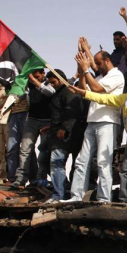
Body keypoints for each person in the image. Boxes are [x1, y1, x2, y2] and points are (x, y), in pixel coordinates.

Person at [70, 67, 127, 203]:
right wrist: (84, 93)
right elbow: (103, 98)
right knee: (125, 170)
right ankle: (123, 199)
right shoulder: (124, 98)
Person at [62, 51, 125, 203]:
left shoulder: (117, 75)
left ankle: (104, 199)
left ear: (107, 61)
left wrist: (86, 69)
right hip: (92, 121)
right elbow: (84, 91)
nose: (96, 66)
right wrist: (82, 72)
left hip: (108, 122)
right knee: (81, 160)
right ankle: (76, 196)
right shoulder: (99, 77)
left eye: (98, 63)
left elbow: (96, 89)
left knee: (103, 162)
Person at [45, 69, 85, 202]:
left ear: (61, 79)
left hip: (67, 135)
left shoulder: (68, 91)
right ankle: (60, 193)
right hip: (58, 134)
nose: (52, 85)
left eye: (54, 82)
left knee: (57, 162)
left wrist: (64, 128)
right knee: (55, 163)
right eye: (50, 83)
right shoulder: (58, 93)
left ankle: (59, 195)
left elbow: (73, 111)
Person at [12, 69, 53, 187]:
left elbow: (50, 93)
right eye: (33, 77)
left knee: (44, 151)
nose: (34, 78)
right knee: (25, 150)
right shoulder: (29, 86)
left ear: (43, 74)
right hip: (32, 120)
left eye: (37, 76)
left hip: (47, 121)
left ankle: (41, 178)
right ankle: (21, 178)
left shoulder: (50, 83)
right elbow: (20, 97)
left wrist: (35, 81)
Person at [110, 7, 127, 74]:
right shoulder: (113, 55)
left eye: (117, 39)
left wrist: (125, 16)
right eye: (114, 40)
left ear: (123, 39)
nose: (115, 41)